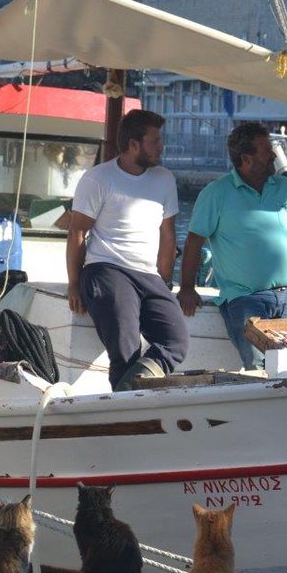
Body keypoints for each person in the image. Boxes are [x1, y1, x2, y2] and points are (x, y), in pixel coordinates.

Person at [177, 122, 287, 370]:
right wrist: (187, 288)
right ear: (246, 158)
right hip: (245, 299)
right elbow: (194, 242)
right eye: (266, 150)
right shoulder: (216, 194)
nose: (274, 155)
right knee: (259, 366)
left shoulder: (285, 188)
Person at [65, 109, 189, 391]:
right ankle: (127, 411)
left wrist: (165, 281)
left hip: (149, 275)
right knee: (124, 349)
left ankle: (127, 396)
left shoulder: (164, 179)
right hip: (107, 270)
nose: (161, 148)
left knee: (176, 340)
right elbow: (77, 233)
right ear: (134, 144)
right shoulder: (98, 178)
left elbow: (167, 236)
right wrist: (74, 284)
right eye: (154, 141)